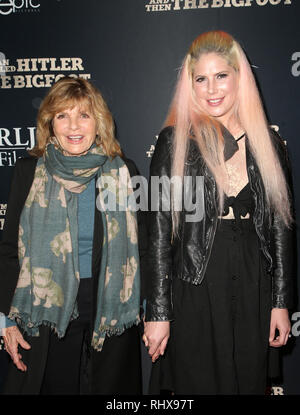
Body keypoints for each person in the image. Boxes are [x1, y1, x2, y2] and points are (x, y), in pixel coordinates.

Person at [143, 31, 295, 395]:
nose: (211, 88)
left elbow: (281, 228)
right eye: (201, 79)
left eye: (221, 76)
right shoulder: (174, 141)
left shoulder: (268, 143)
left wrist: (280, 303)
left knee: (247, 379)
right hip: (196, 280)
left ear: (240, 78)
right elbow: (159, 232)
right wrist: (158, 311)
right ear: (190, 85)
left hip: (253, 279)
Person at [0, 77, 145, 395]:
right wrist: (5, 320)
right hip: (46, 302)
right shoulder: (29, 170)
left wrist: (151, 309)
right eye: (62, 115)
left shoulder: (123, 171)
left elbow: (142, 247)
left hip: (109, 300)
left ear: (99, 122)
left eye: (84, 114)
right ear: (50, 123)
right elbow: (10, 249)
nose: (73, 125)